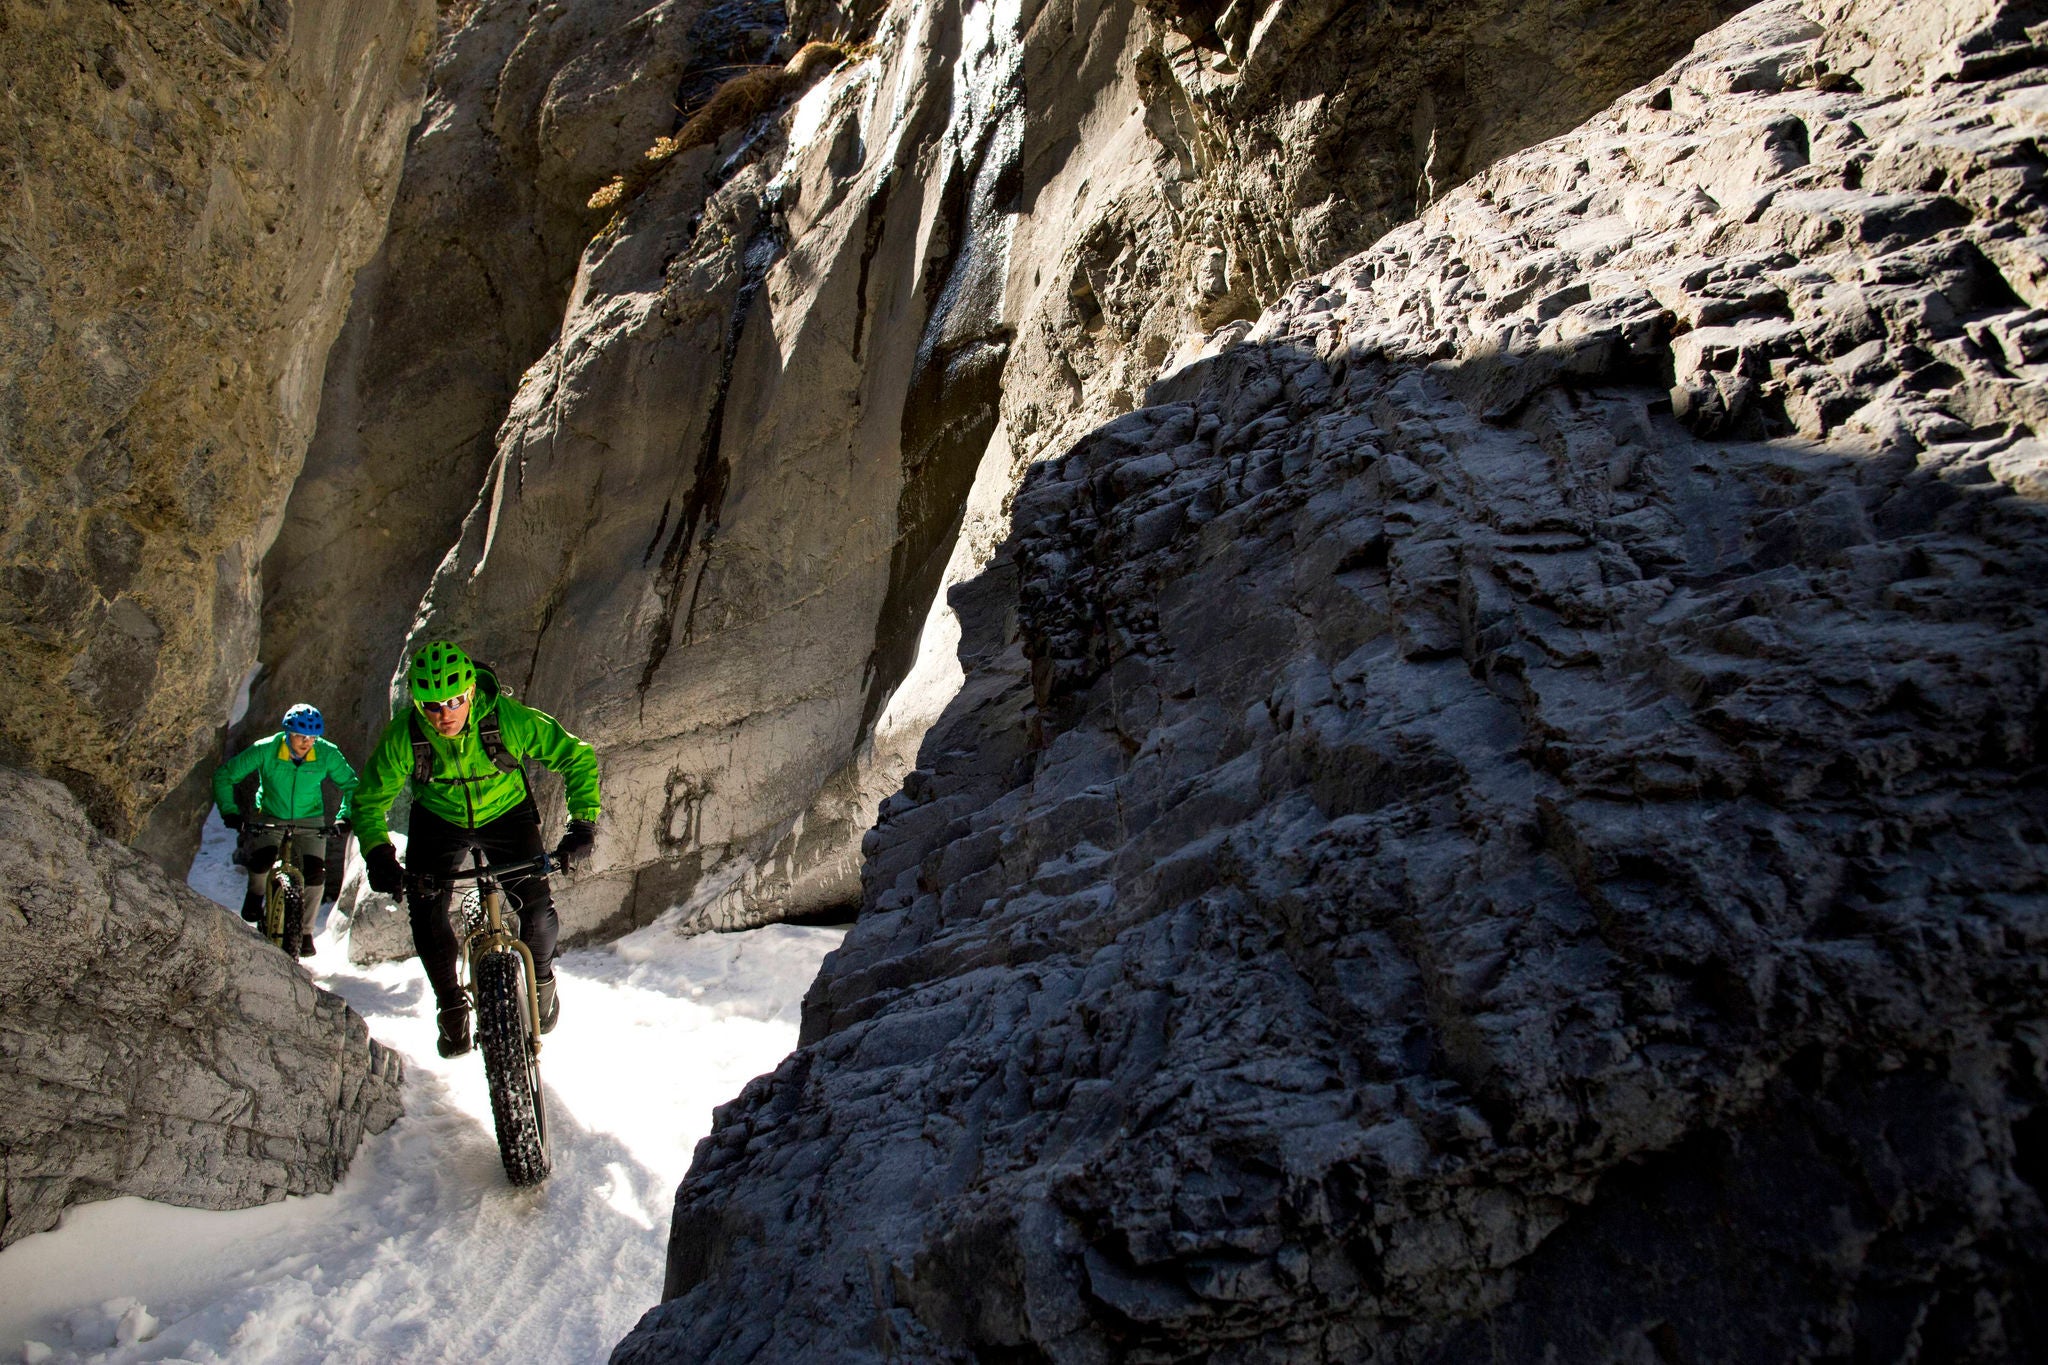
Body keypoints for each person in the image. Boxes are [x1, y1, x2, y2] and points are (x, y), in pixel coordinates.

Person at [351, 642, 600, 1059]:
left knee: (536, 910)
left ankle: (541, 982)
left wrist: (583, 823)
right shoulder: (404, 736)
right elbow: (369, 801)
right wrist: (378, 852)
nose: (443, 714)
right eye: (431, 705)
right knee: (426, 911)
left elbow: (576, 756)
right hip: (438, 819)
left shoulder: (507, 718)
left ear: (470, 692)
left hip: (506, 814)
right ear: (416, 701)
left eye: (453, 701)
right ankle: (450, 1004)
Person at [212, 703, 357, 956]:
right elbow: (224, 776)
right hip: (271, 815)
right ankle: (256, 893)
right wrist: (230, 812)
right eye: (301, 736)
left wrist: (344, 817)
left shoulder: (326, 753)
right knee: (261, 861)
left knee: (315, 875)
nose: (307, 742)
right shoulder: (266, 749)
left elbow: (351, 785)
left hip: (309, 820)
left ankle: (305, 933)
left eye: (312, 737)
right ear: (288, 733)